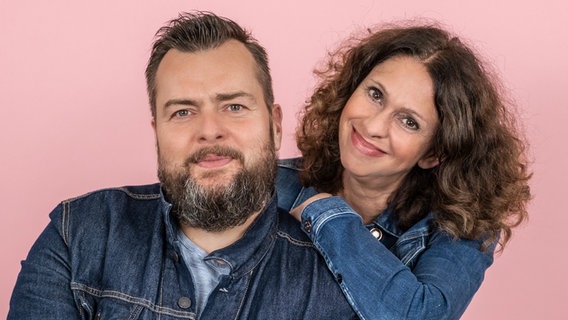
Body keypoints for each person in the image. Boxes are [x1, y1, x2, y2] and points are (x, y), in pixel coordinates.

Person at [8, 12, 358, 319]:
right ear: (157, 133)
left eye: (234, 106)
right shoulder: (79, 234)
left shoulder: (336, 277)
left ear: (275, 126)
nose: (209, 131)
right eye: (183, 112)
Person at [276, 23, 532, 320]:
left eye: (409, 121)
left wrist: (323, 214)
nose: (373, 127)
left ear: (434, 153)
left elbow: (422, 315)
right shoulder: (272, 184)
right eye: (375, 94)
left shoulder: (462, 228)